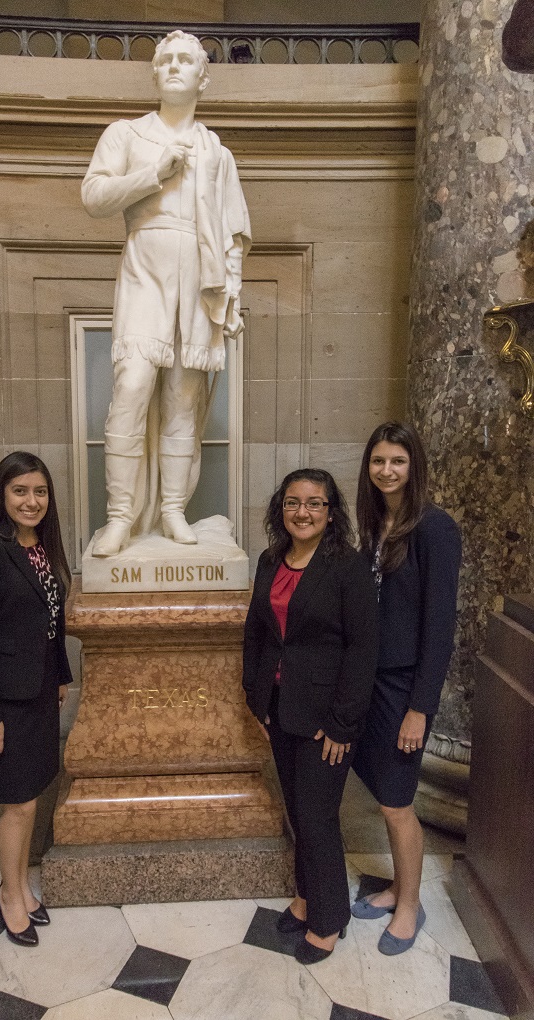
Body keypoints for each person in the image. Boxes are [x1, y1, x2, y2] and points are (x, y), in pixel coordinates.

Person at [82, 30, 251, 556]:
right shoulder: (125, 134)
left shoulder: (216, 151)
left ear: (204, 76)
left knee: (183, 396)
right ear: (154, 73)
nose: (175, 67)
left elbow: (233, 231)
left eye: (186, 60)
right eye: (166, 60)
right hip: (146, 266)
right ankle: (119, 516)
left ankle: (175, 509)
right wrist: (152, 174)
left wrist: (233, 295)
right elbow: (93, 196)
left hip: (199, 278)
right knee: (132, 385)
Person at [242, 469, 378, 965]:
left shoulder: (347, 567)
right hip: (280, 710)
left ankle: (329, 919)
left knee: (318, 818)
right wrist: (254, 697)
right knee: (299, 813)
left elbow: (363, 650)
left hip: (327, 719)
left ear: (330, 511)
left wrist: (343, 723)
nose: (303, 512)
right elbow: (257, 633)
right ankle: (305, 897)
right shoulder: (270, 559)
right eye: (294, 502)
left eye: (315, 503)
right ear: (282, 508)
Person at [351, 422, 461, 955]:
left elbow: (439, 630)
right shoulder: (374, 527)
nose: (387, 471)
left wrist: (419, 709)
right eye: (378, 461)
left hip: (402, 690)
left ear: (413, 466)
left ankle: (411, 906)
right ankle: (397, 886)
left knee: (397, 802)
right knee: (383, 796)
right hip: (370, 685)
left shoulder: (435, 529)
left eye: (397, 461)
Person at [0, 452, 73, 947]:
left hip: (41, 692)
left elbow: (52, 624)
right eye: (20, 491)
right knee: (18, 804)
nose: (32, 501)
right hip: (3, 702)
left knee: (31, 797)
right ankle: (10, 894)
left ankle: (22, 885)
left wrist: (61, 676)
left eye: (40, 492)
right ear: (2, 496)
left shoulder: (41, 547)